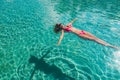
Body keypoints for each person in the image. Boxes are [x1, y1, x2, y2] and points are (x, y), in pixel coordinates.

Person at [54, 18, 118, 49]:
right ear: (59, 27)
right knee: (94, 39)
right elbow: (61, 36)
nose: (61, 25)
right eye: (60, 25)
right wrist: (59, 42)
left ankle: (109, 44)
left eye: (60, 24)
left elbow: (72, 22)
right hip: (80, 34)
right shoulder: (63, 30)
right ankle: (112, 46)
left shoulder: (68, 25)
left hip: (83, 31)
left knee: (96, 38)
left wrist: (75, 19)